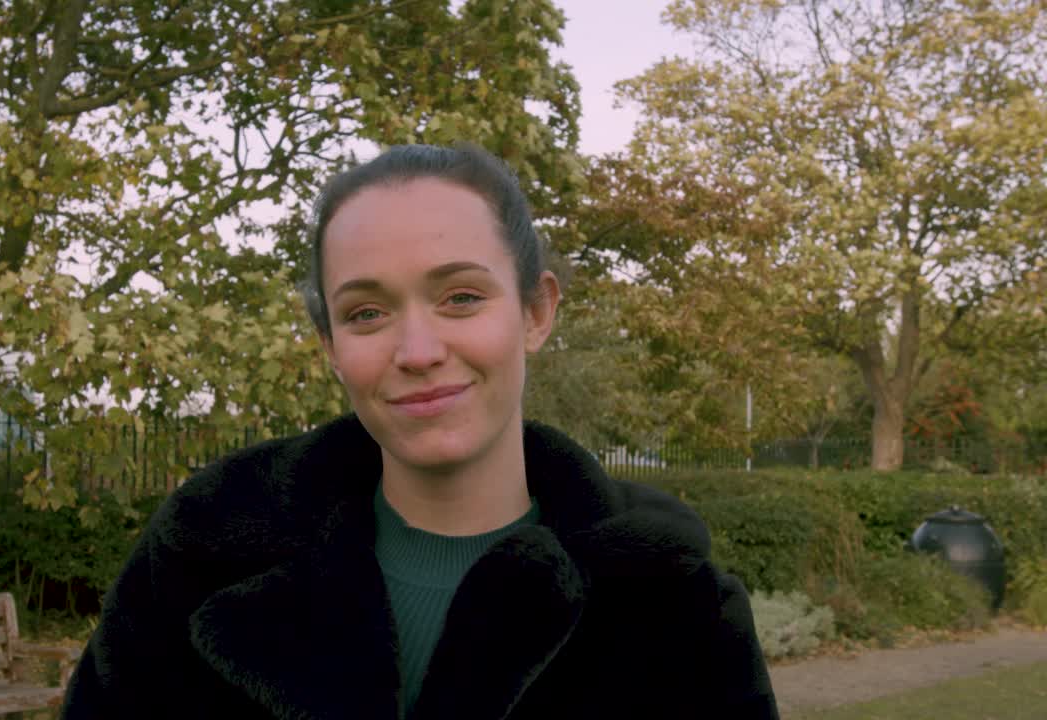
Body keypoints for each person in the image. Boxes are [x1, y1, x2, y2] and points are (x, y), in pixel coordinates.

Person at [61, 144, 779, 719]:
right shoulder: (199, 557)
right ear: (329, 344)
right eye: (366, 313)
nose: (418, 350)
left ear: (535, 312)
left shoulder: (671, 601)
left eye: (461, 298)